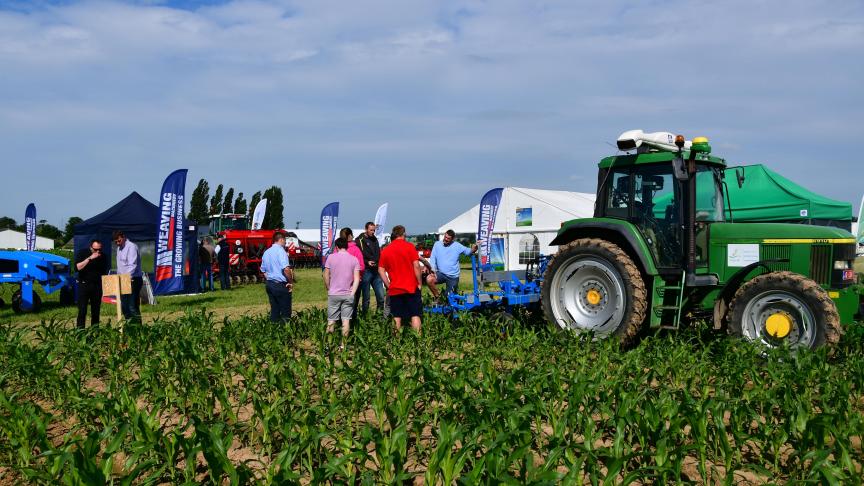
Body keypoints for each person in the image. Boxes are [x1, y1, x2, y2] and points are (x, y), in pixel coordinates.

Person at [378, 225, 423, 333]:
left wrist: (388, 285)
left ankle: (396, 343)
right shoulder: (410, 247)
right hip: (411, 286)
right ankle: (419, 343)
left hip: (395, 288)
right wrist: (419, 283)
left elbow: (380, 270)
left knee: (396, 316)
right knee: (415, 314)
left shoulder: (386, 250)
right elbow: (416, 266)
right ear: (404, 234)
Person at [323, 237, 361, 341]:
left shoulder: (330, 257)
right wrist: (352, 292)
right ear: (347, 246)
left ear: (336, 247)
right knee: (346, 321)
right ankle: (343, 345)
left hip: (334, 293)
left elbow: (326, 275)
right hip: (348, 294)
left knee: (331, 321)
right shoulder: (354, 259)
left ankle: (328, 345)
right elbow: (357, 278)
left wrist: (328, 287)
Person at [426, 229, 477, 300]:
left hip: (453, 276)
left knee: (451, 298)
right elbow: (433, 258)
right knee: (429, 279)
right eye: (445, 237)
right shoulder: (437, 244)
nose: (446, 239)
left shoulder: (457, 246)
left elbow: (468, 251)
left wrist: (474, 249)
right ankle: (438, 298)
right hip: (441, 274)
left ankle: (449, 302)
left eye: (448, 238)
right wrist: (433, 268)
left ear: (452, 239)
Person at [75, 239, 108, 329]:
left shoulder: (103, 256)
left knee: (96, 311)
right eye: (95, 249)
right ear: (91, 247)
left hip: (97, 286)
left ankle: (95, 332)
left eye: (100, 249)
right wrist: (90, 258)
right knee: (82, 311)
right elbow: (78, 267)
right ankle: (80, 332)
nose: (98, 251)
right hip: (84, 285)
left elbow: (104, 272)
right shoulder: (83, 253)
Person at [261, 232, 294, 323]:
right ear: (281, 239)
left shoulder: (266, 252)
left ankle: (274, 330)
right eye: (285, 241)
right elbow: (286, 269)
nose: (285, 243)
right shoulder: (281, 251)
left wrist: (270, 278)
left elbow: (263, 270)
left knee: (274, 310)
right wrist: (290, 282)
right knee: (285, 311)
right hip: (280, 285)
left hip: (270, 284)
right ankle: (285, 331)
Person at [355, 222, 386, 315]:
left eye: (374, 230)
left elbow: (378, 253)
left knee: (381, 297)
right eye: (371, 230)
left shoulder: (375, 239)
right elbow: (358, 256)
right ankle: (365, 317)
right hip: (366, 271)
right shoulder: (359, 240)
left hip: (376, 271)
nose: (373, 232)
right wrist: (366, 262)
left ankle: (379, 317)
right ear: (366, 229)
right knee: (366, 298)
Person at [114, 230, 143, 322]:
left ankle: (138, 330)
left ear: (123, 237)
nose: (117, 243)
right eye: (115, 242)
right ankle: (129, 328)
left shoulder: (131, 247)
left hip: (133, 280)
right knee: (124, 307)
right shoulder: (119, 249)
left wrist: (126, 278)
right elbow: (120, 267)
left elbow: (132, 265)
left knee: (132, 306)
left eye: (119, 240)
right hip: (123, 280)